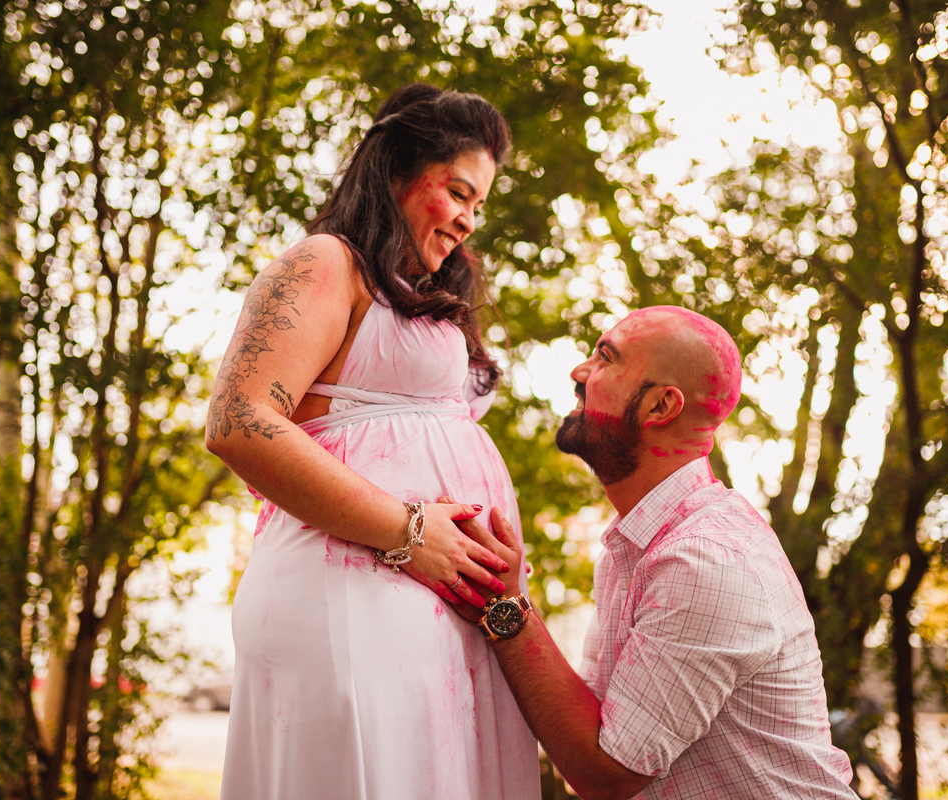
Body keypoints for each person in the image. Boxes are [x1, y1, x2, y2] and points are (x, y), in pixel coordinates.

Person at [206, 84, 539, 800]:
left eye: (479, 205)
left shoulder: (417, 295)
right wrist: (409, 532)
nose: (468, 219)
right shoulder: (326, 262)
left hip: (436, 619)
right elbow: (237, 419)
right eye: (458, 192)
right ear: (396, 171)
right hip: (350, 601)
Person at [448, 306, 859, 800]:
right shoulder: (636, 545)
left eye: (605, 358)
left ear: (661, 406)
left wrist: (504, 607)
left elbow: (607, 774)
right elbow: (594, 727)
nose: (579, 373)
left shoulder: (705, 559)